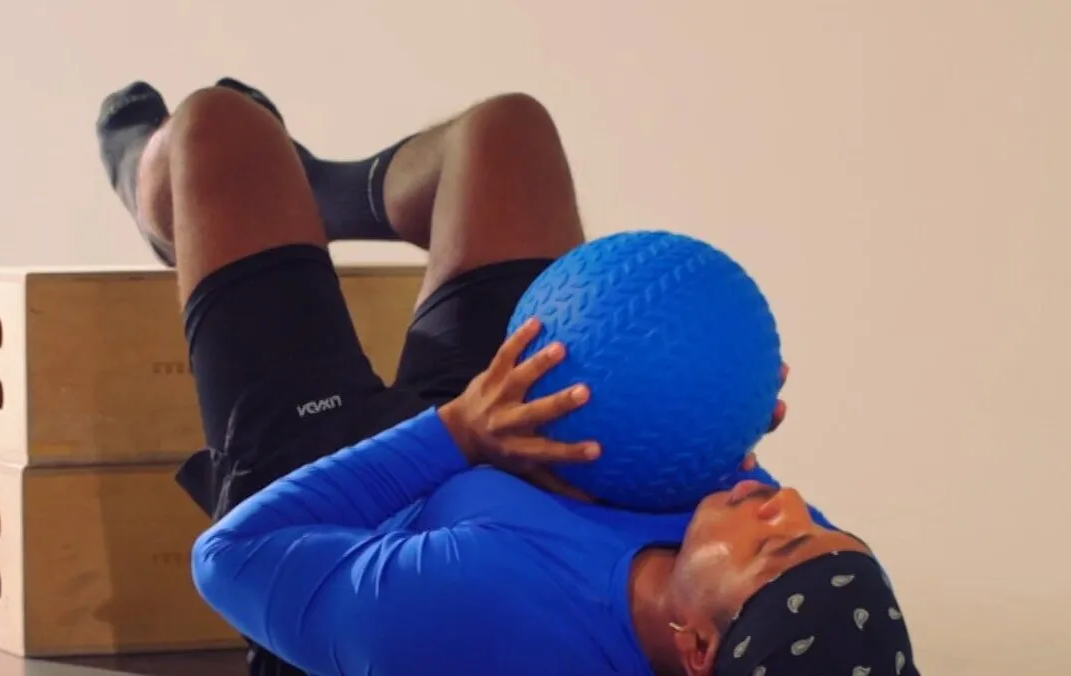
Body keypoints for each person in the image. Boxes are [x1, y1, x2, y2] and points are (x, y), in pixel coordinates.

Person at [95, 79, 919, 675]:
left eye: (775, 541)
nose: (784, 502)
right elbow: (770, 517)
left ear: (696, 647)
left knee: (217, 128)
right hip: (525, 444)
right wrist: (722, 415)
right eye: (820, 526)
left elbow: (230, 556)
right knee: (507, 132)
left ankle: (160, 190)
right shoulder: (764, 569)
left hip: (354, 513)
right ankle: (311, 193)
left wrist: (454, 433)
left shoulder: (478, 621)